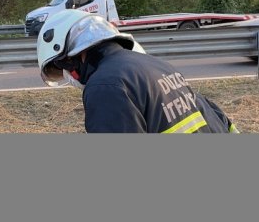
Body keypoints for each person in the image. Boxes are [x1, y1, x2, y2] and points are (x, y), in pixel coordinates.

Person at [36, 10, 239, 133]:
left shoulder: (105, 87)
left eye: (62, 66)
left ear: (73, 58)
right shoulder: (155, 65)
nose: (68, 76)